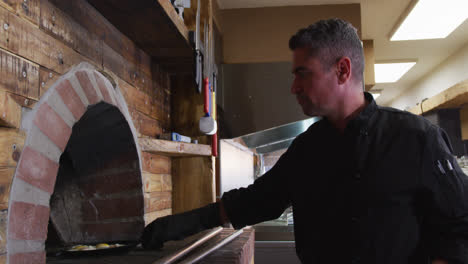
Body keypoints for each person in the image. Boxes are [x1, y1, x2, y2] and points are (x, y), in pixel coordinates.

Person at [142, 18, 468, 264]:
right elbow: (259, 199)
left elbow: (460, 224)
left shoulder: (416, 138)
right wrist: (180, 224)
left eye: (303, 73)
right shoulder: (308, 148)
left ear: (342, 70)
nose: (294, 87)